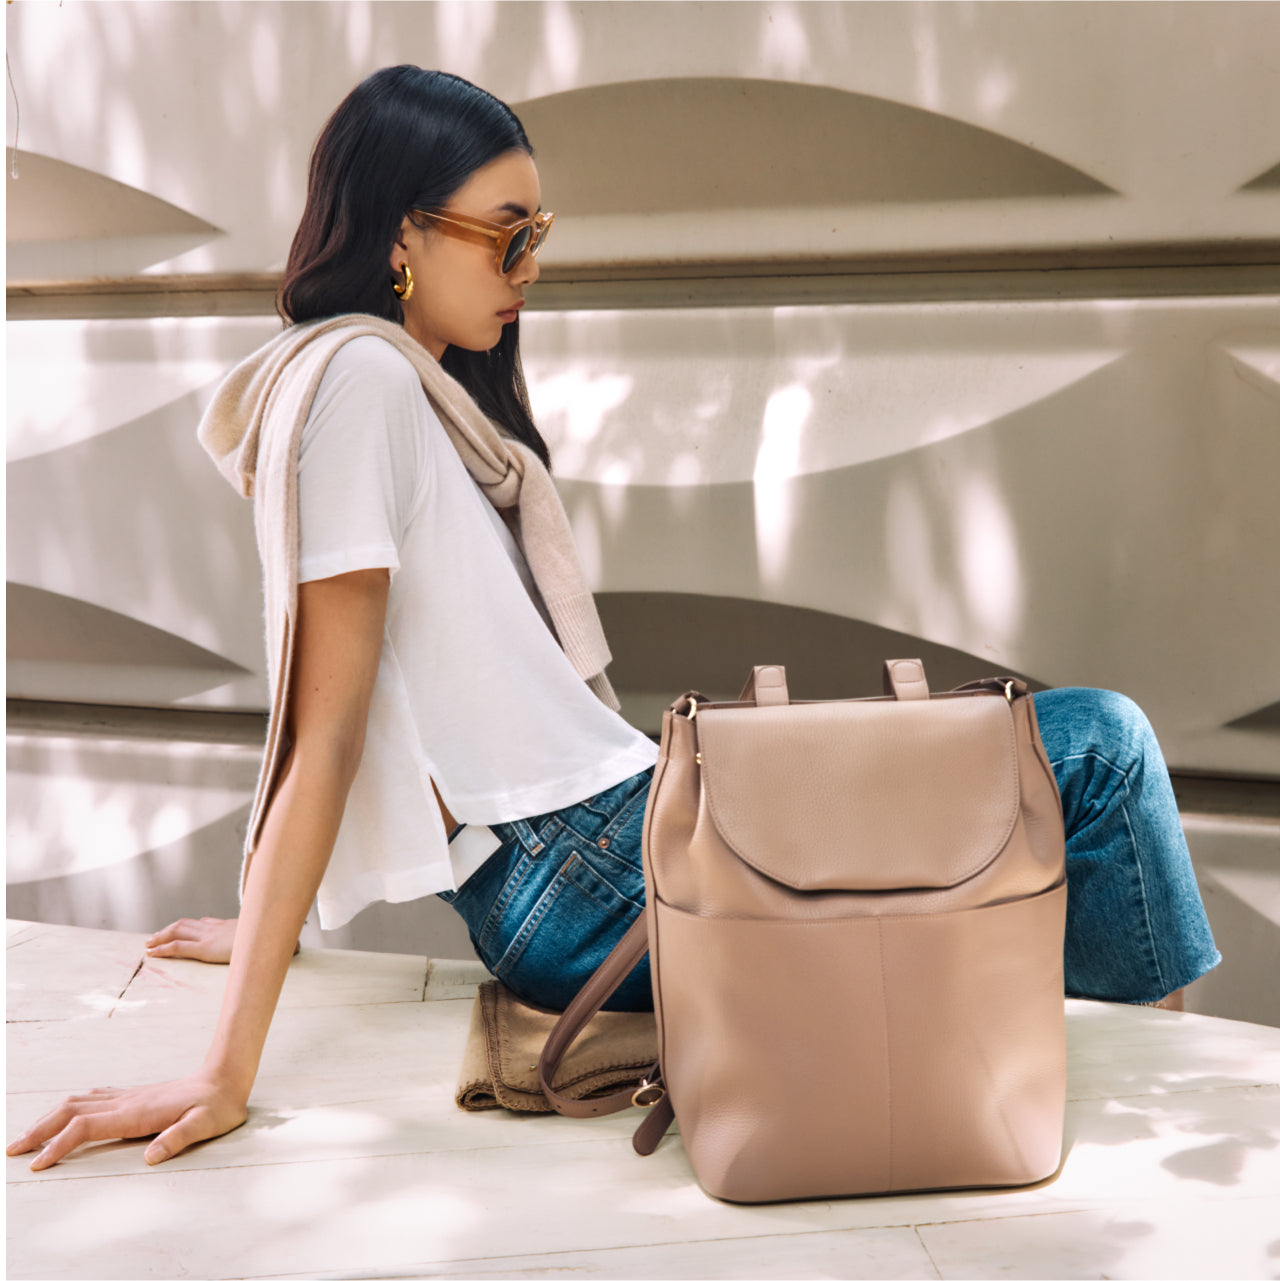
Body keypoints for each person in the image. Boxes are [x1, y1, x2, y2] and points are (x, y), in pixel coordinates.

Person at [7, 65, 1220, 1173]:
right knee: (1094, 752)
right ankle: (1169, 1107)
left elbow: (409, 706)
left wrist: (260, 919)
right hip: (586, 864)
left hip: (583, 854)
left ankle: (1104, 1089)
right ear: (398, 235)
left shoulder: (406, 397)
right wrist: (225, 1071)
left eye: (539, 235)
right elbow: (320, 735)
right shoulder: (362, 386)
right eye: (505, 235)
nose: (529, 269)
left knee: (996, 820)